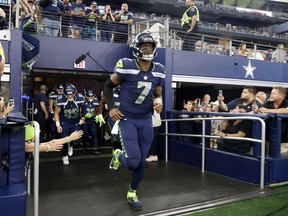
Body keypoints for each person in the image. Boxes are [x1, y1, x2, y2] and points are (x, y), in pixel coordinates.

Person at [103, 32, 165, 211]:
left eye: (150, 46)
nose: (147, 48)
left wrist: (158, 103)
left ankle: (132, 191)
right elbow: (108, 86)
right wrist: (111, 108)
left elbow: (157, 93)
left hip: (146, 120)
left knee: (141, 162)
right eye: (143, 45)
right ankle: (117, 156)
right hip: (127, 119)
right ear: (136, 48)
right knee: (132, 162)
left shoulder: (159, 68)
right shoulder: (126, 65)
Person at [54, 83, 84, 165]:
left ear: (74, 93)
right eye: (68, 94)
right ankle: (65, 156)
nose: (70, 96)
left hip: (75, 123)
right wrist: (58, 125)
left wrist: (83, 118)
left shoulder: (80, 98)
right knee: (64, 139)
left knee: (76, 141)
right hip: (65, 122)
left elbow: (84, 108)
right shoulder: (60, 99)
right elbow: (56, 113)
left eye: (71, 94)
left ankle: (70, 144)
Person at [252, 87, 288, 153]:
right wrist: (257, 111)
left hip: (283, 141)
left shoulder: (286, 103)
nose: (271, 95)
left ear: (281, 96)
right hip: (268, 139)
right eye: (271, 93)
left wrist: (268, 110)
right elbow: (261, 110)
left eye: (273, 93)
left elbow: (286, 110)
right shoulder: (268, 103)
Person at [81, 87, 100, 155]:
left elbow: (98, 109)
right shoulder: (82, 100)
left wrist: (98, 115)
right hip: (85, 121)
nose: (91, 97)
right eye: (89, 96)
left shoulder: (95, 100)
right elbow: (80, 110)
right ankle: (84, 148)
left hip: (92, 120)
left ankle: (95, 149)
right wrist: (82, 117)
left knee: (94, 134)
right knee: (85, 135)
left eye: (92, 96)